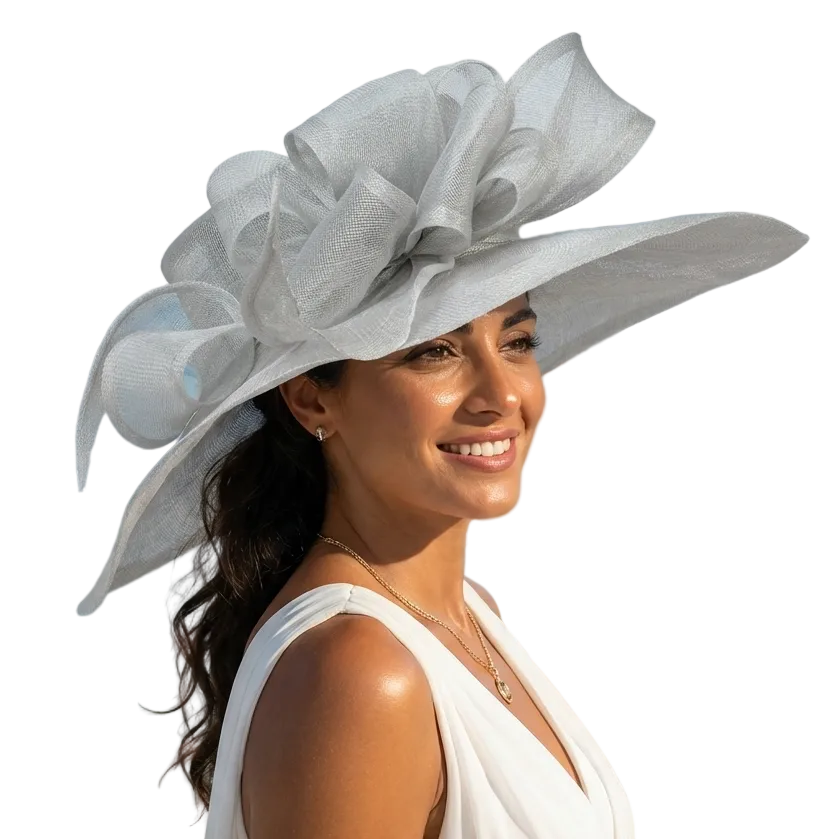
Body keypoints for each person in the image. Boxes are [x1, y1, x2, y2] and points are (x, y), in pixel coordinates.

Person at [74, 32, 808, 839]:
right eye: (435, 351)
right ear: (311, 399)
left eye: (518, 341)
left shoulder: (463, 618)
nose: (502, 394)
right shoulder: (363, 669)